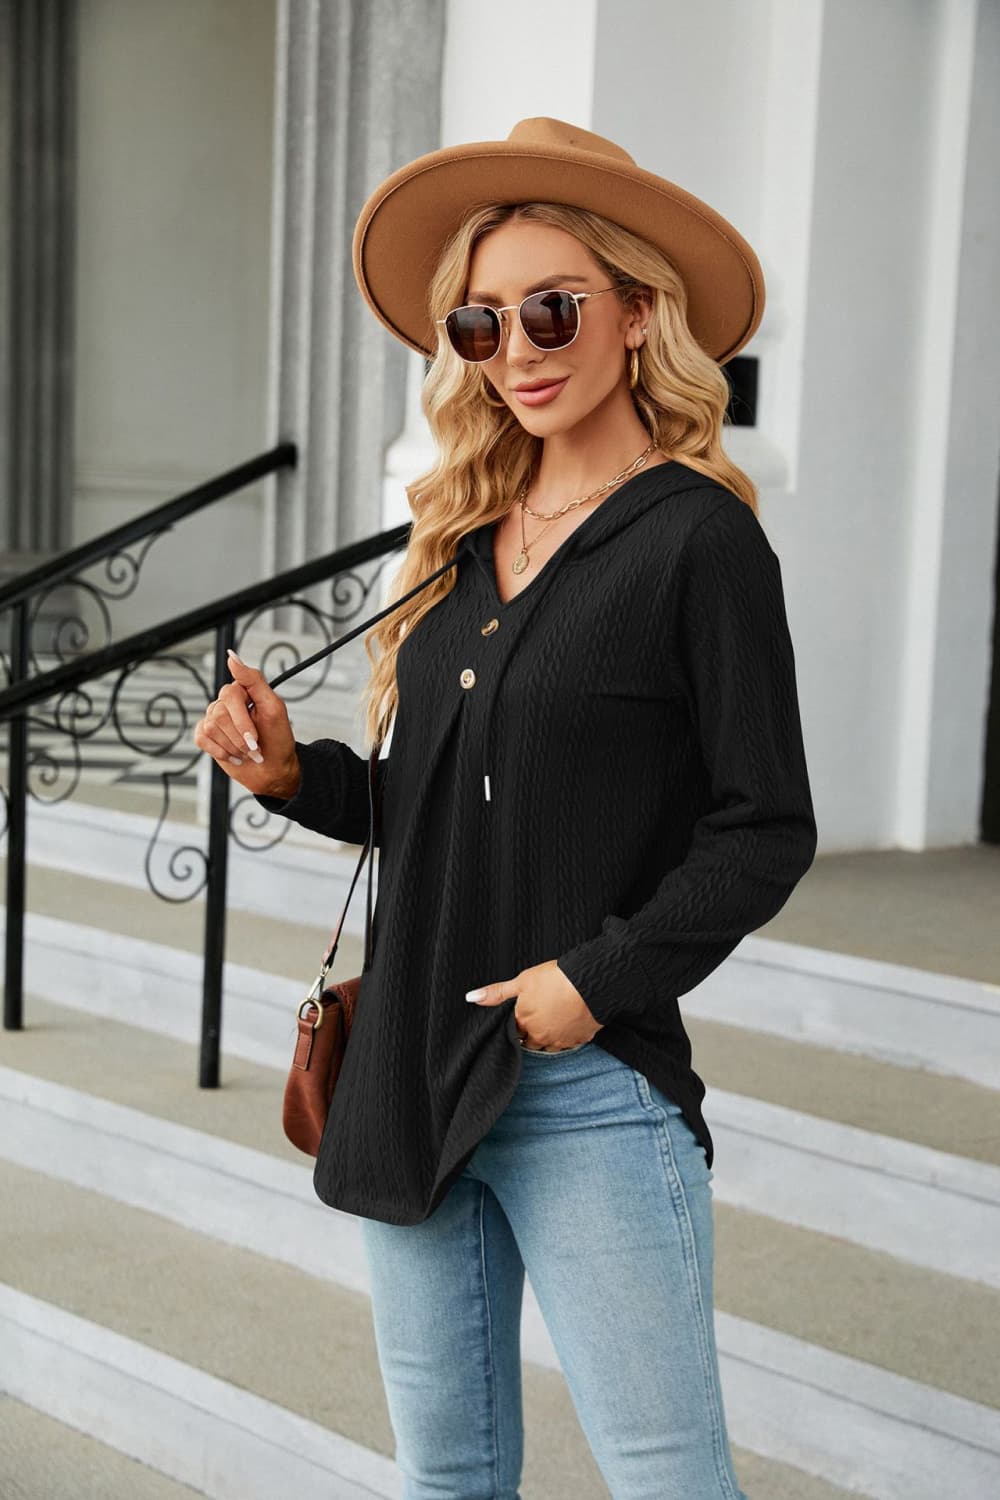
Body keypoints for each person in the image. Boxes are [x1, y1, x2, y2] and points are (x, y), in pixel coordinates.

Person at [194, 117, 817, 1500]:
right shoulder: (467, 537)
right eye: (481, 322)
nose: (517, 348)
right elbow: (440, 803)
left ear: (638, 312)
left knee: (666, 1478)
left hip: (581, 1085)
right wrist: (294, 776)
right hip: (409, 1069)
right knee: (447, 1477)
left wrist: (593, 983)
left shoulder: (699, 540)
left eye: (552, 308)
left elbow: (764, 826)